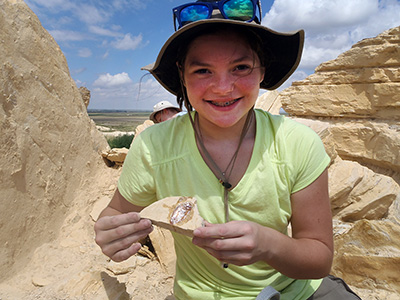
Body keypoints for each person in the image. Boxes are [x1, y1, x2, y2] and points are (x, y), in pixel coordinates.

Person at [94, 0, 361, 299]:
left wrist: (268, 244)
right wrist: (110, 233)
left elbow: (319, 258)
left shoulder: (297, 143)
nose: (223, 87)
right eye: (203, 71)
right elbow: (115, 213)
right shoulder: (153, 148)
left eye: (241, 67)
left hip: (293, 291)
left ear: (262, 70)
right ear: (182, 75)